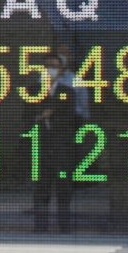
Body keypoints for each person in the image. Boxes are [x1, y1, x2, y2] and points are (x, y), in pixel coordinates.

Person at [32, 52, 79, 232]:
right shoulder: (32, 91)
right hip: (40, 146)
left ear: (61, 71)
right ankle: (40, 225)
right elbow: (27, 116)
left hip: (61, 147)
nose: (50, 71)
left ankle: (64, 225)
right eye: (47, 67)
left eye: (54, 67)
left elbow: (70, 118)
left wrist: (51, 112)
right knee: (41, 188)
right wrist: (41, 115)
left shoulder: (68, 92)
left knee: (63, 188)